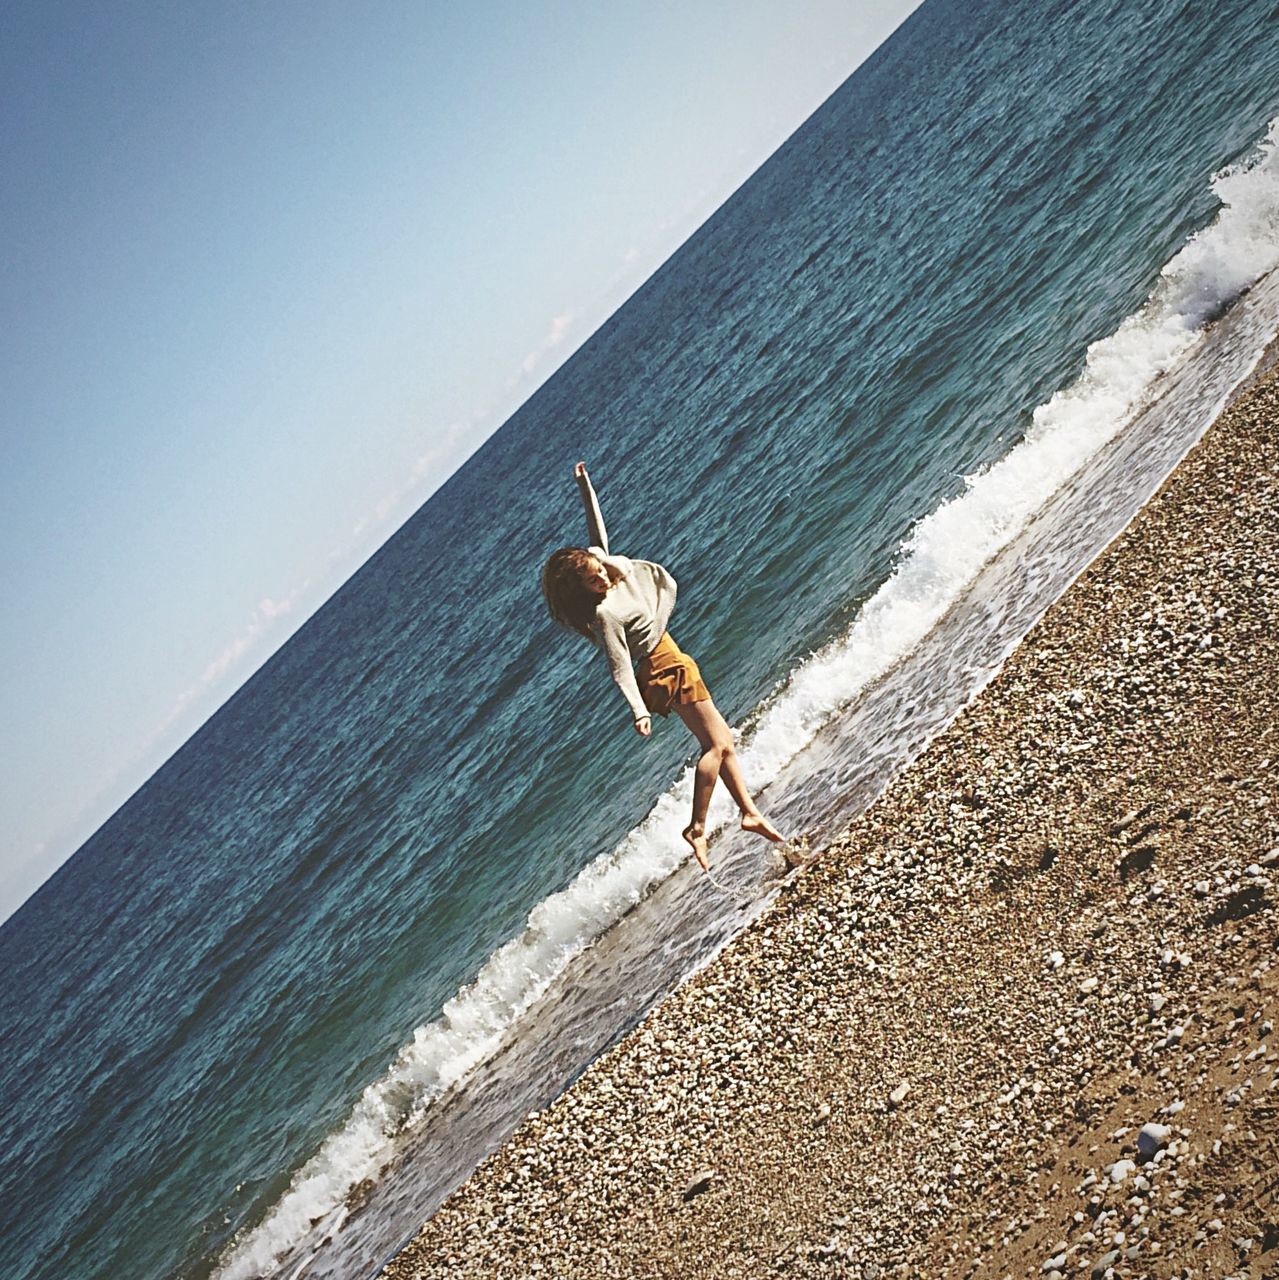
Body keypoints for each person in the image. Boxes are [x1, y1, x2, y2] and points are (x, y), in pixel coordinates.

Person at [541, 461, 785, 872]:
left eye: (598, 569)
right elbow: (619, 666)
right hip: (663, 666)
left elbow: (596, 533)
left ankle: (749, 811)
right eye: (592, 578)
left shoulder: (605, 568)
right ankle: (697, 827)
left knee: (723, 740)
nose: (602, 575)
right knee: (717, 745)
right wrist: (638, 710)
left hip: (672, 656)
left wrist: (586, 486)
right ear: (580, 589)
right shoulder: (604, 614)